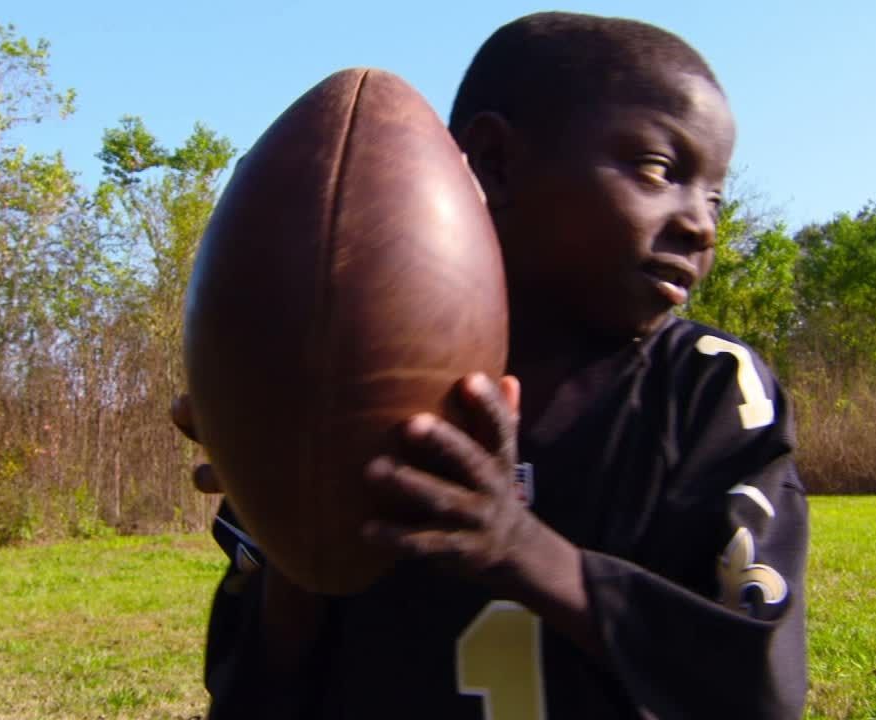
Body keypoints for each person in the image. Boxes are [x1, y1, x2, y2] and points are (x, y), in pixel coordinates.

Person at [172, 11, 808, 719]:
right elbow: (252, 698)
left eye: (714, 194)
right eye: (658, 169)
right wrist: (290, 525)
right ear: (495, 163)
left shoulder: (708, 388)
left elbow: (759, 688)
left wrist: (516, 545)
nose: (702, 224)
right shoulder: (339, 381)